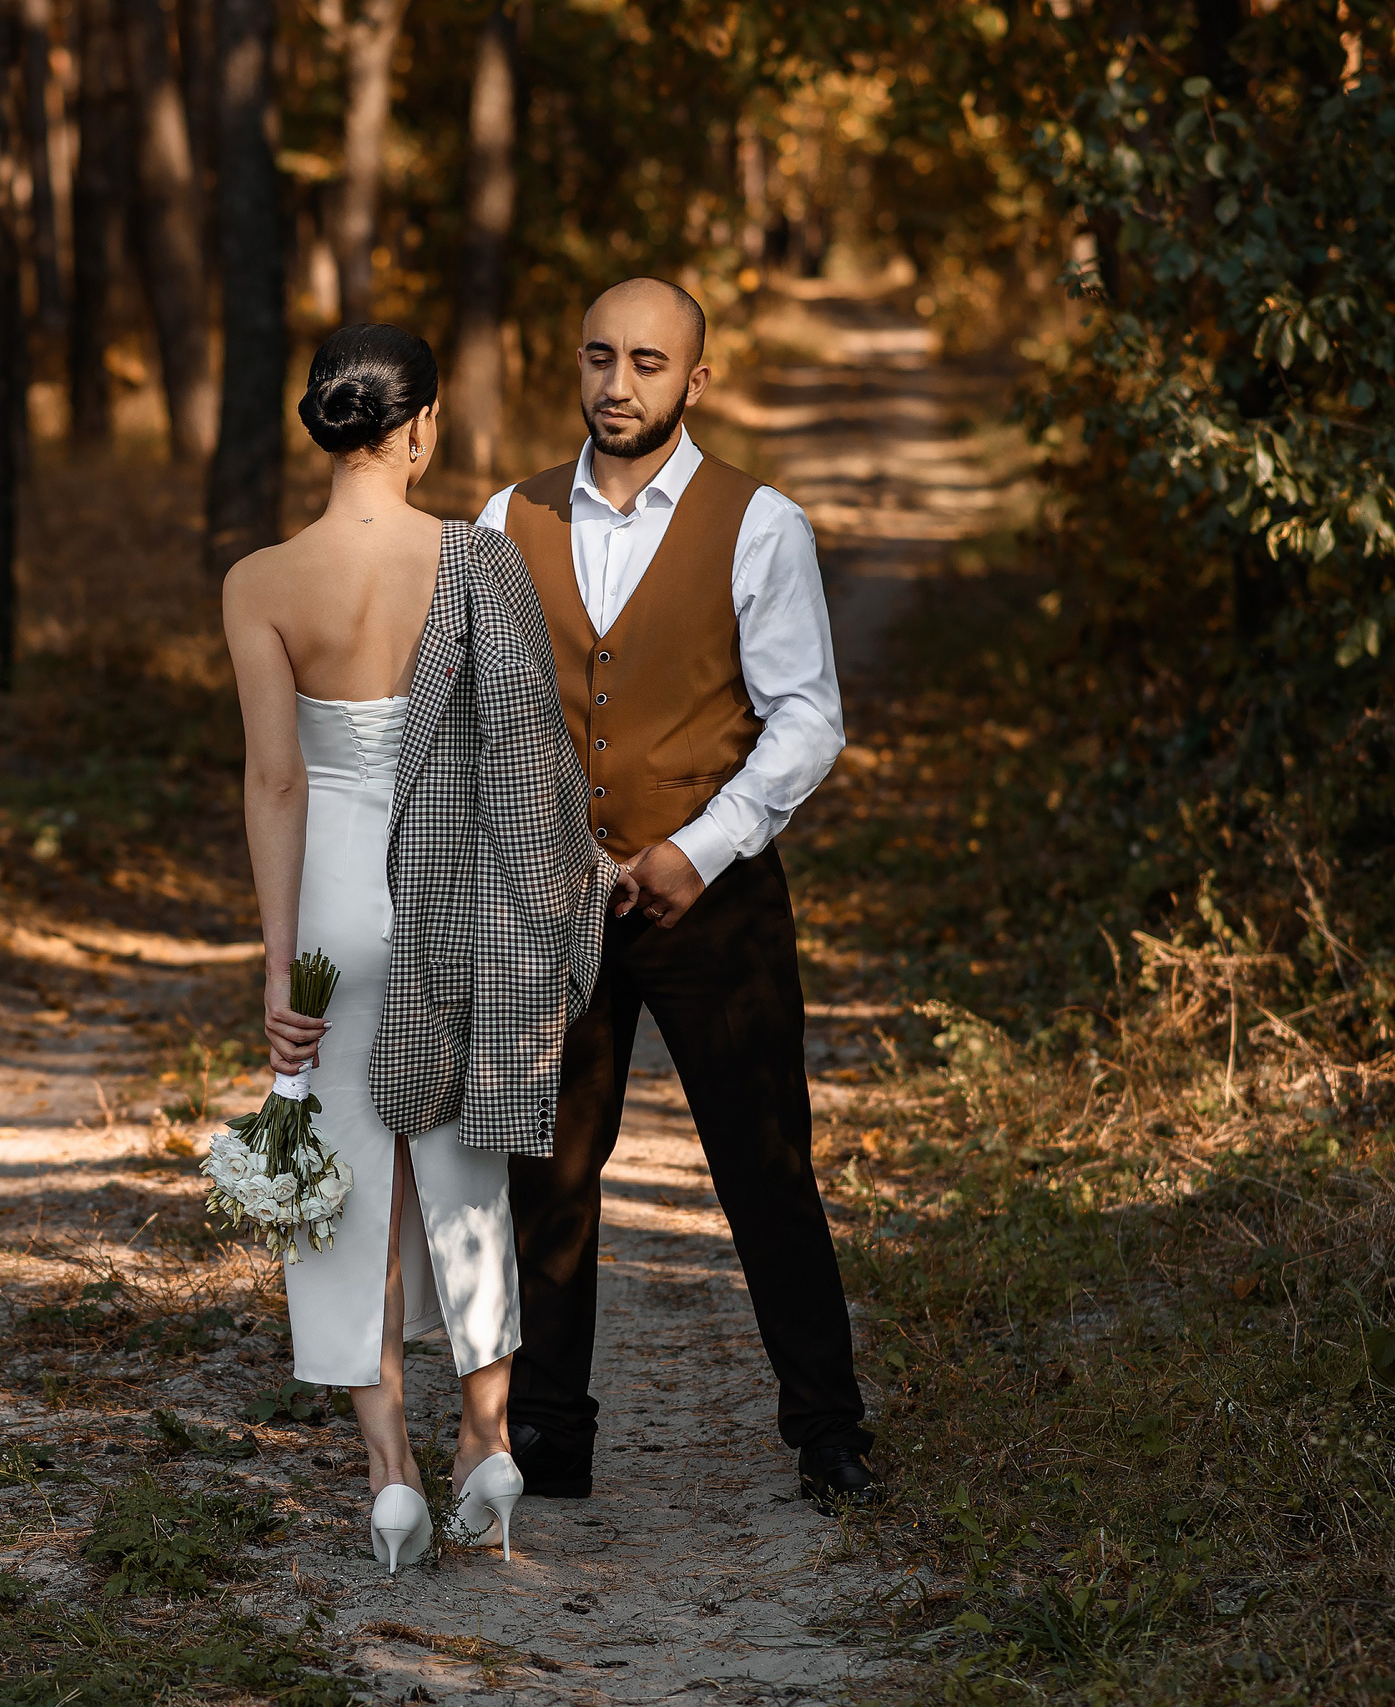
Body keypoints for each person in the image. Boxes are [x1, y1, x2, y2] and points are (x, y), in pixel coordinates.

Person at [223, 325, 632, 1574]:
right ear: (421, 429)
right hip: (460, 898)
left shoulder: (260, 582)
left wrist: (277, 966)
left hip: (338, 909)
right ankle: (486, 1444)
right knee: (464, 1181)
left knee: (343, 1185)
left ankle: (389, 1476)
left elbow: (276, 782)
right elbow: (524, 751)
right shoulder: (481, 559)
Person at [472, 277, 878, 1509]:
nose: (616, 384)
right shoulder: (505, 516)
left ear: (694, 382)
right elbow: (491, 715)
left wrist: (701, 848)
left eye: (647, 362)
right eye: (599, 357)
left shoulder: (759, 525)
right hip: (556, 900)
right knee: (546, 1170)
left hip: (717, 903)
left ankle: (826, 1433)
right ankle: (548, 1432)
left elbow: (808, 721)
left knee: (764, 1164)